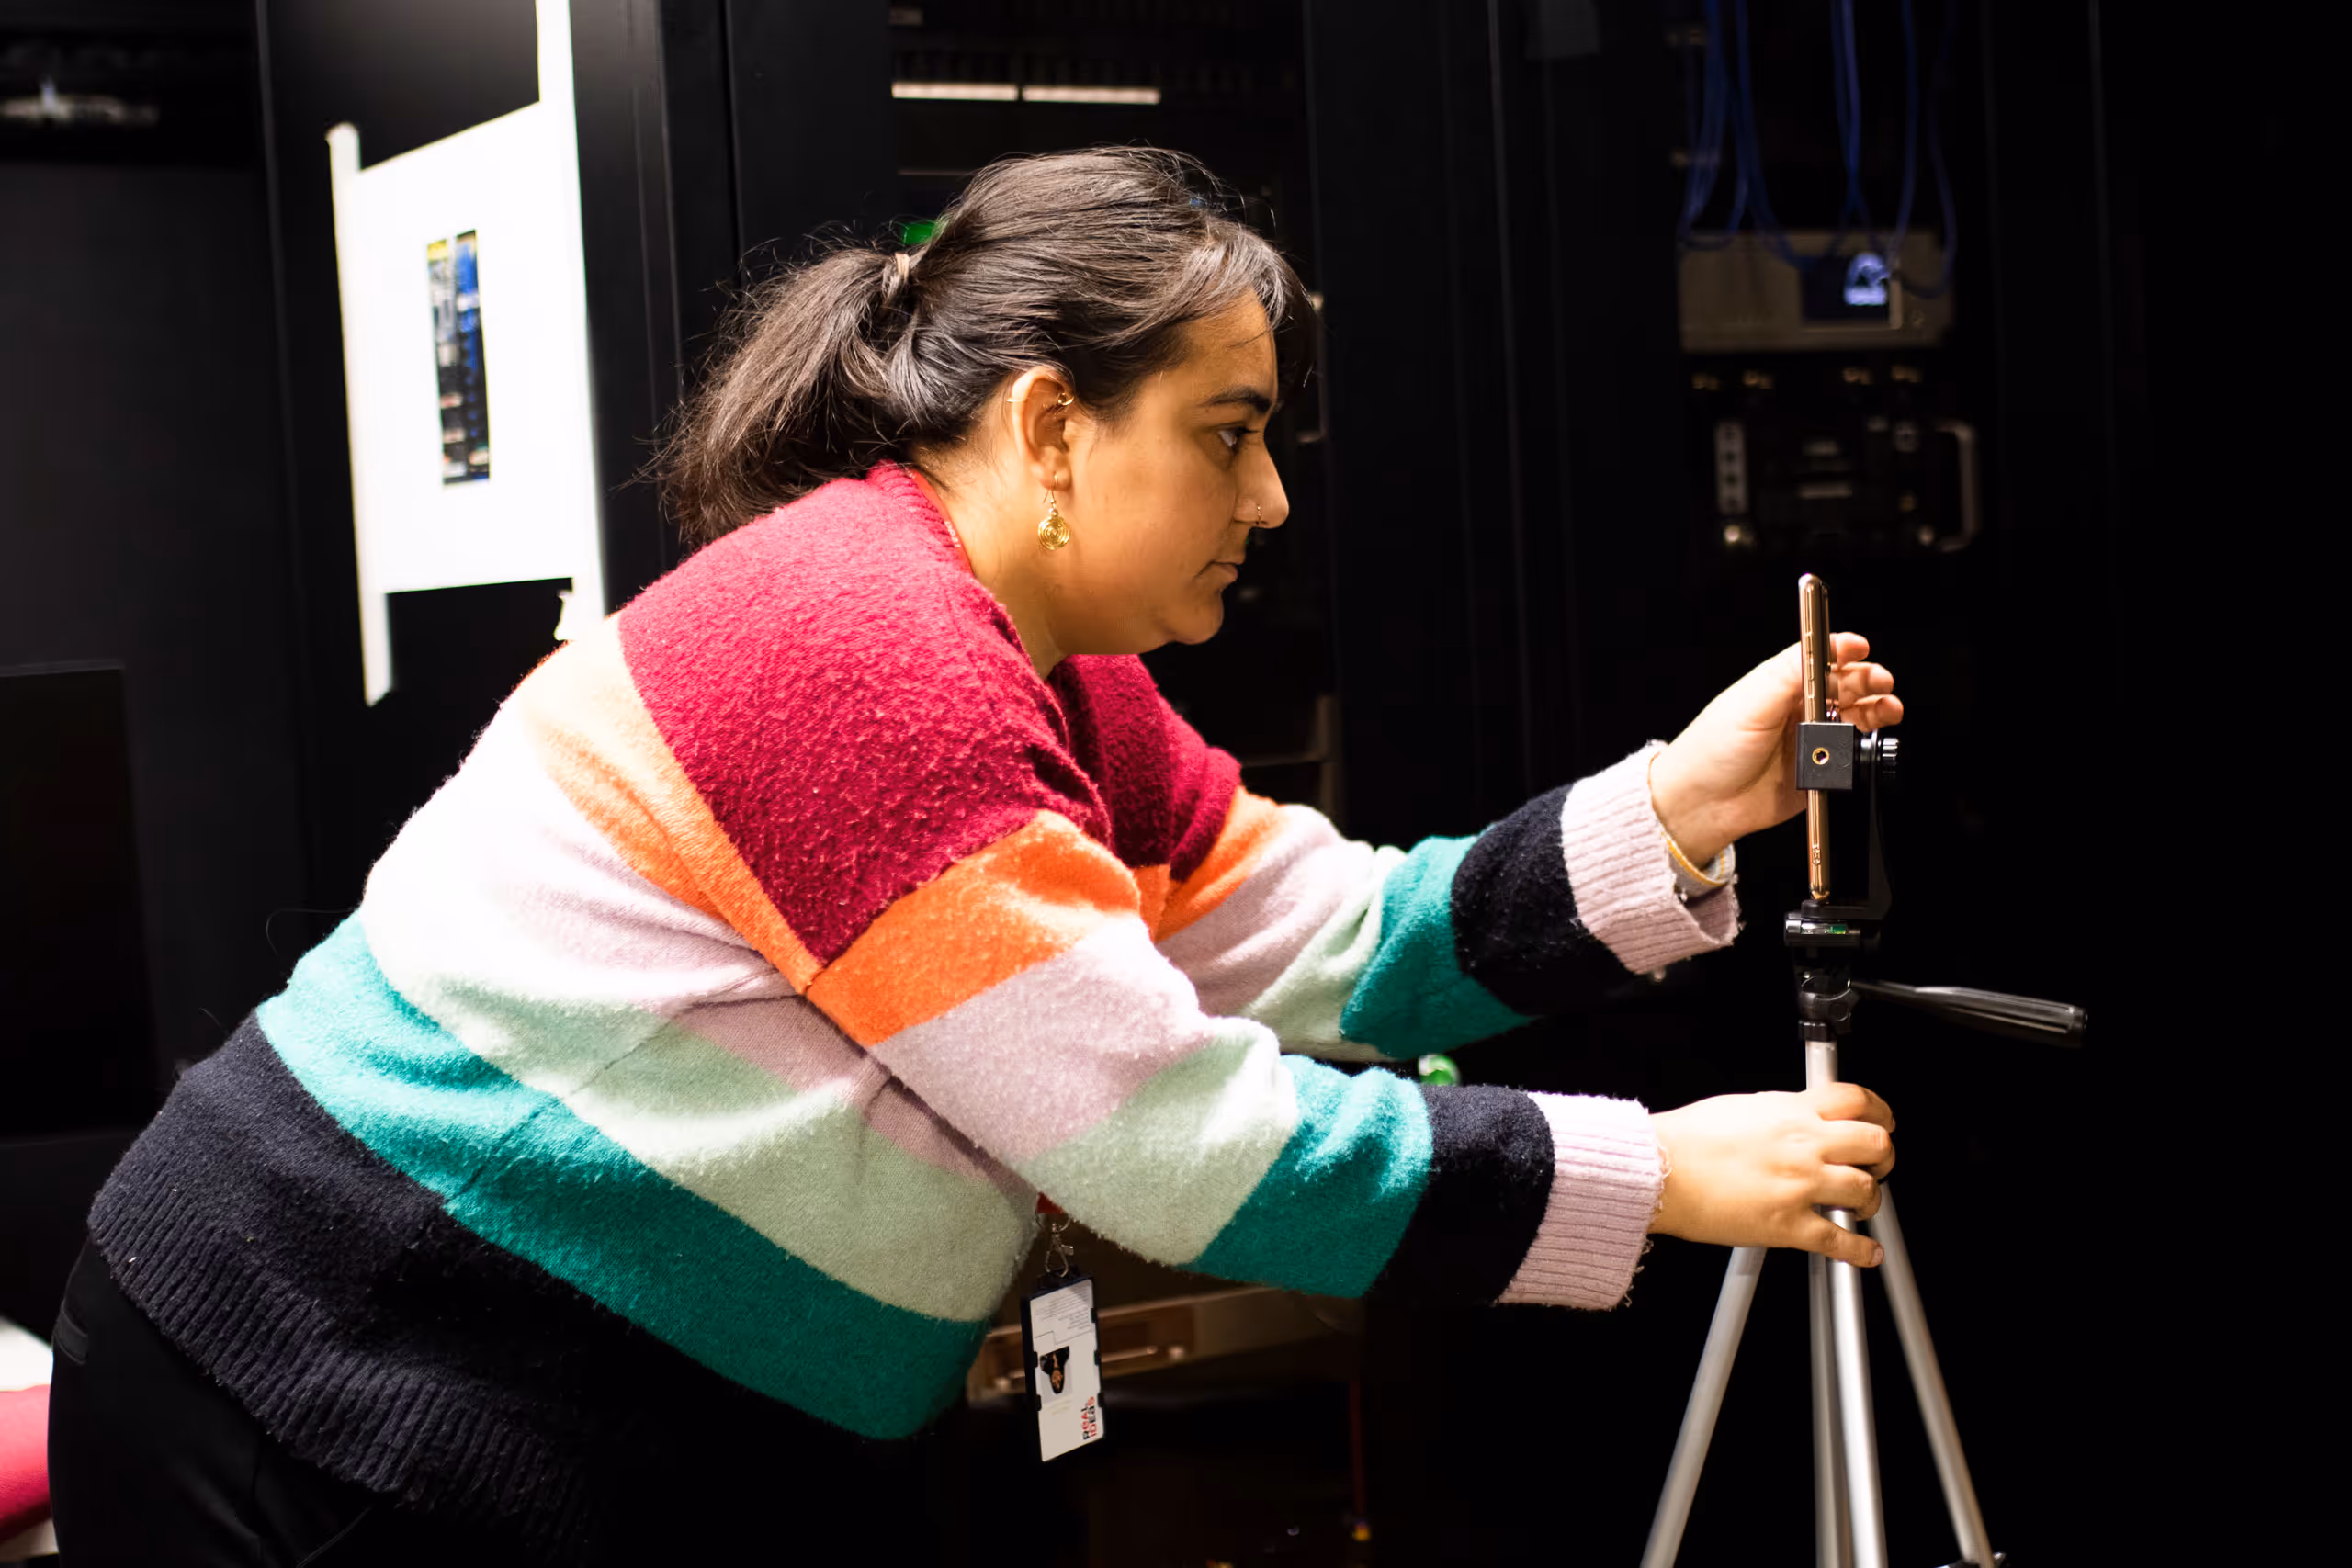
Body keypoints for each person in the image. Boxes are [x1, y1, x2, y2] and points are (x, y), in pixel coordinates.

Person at [47, 148, 1899, 1565]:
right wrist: (1647, 1169)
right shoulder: (866, 650)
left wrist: (1676, 802)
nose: (1265, 502)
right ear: (1048, 428)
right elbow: (1171, 1150)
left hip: (535, 1410)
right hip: (320, 1381)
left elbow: (1333, 937)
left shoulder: (1054, 675)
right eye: (1229, 435)